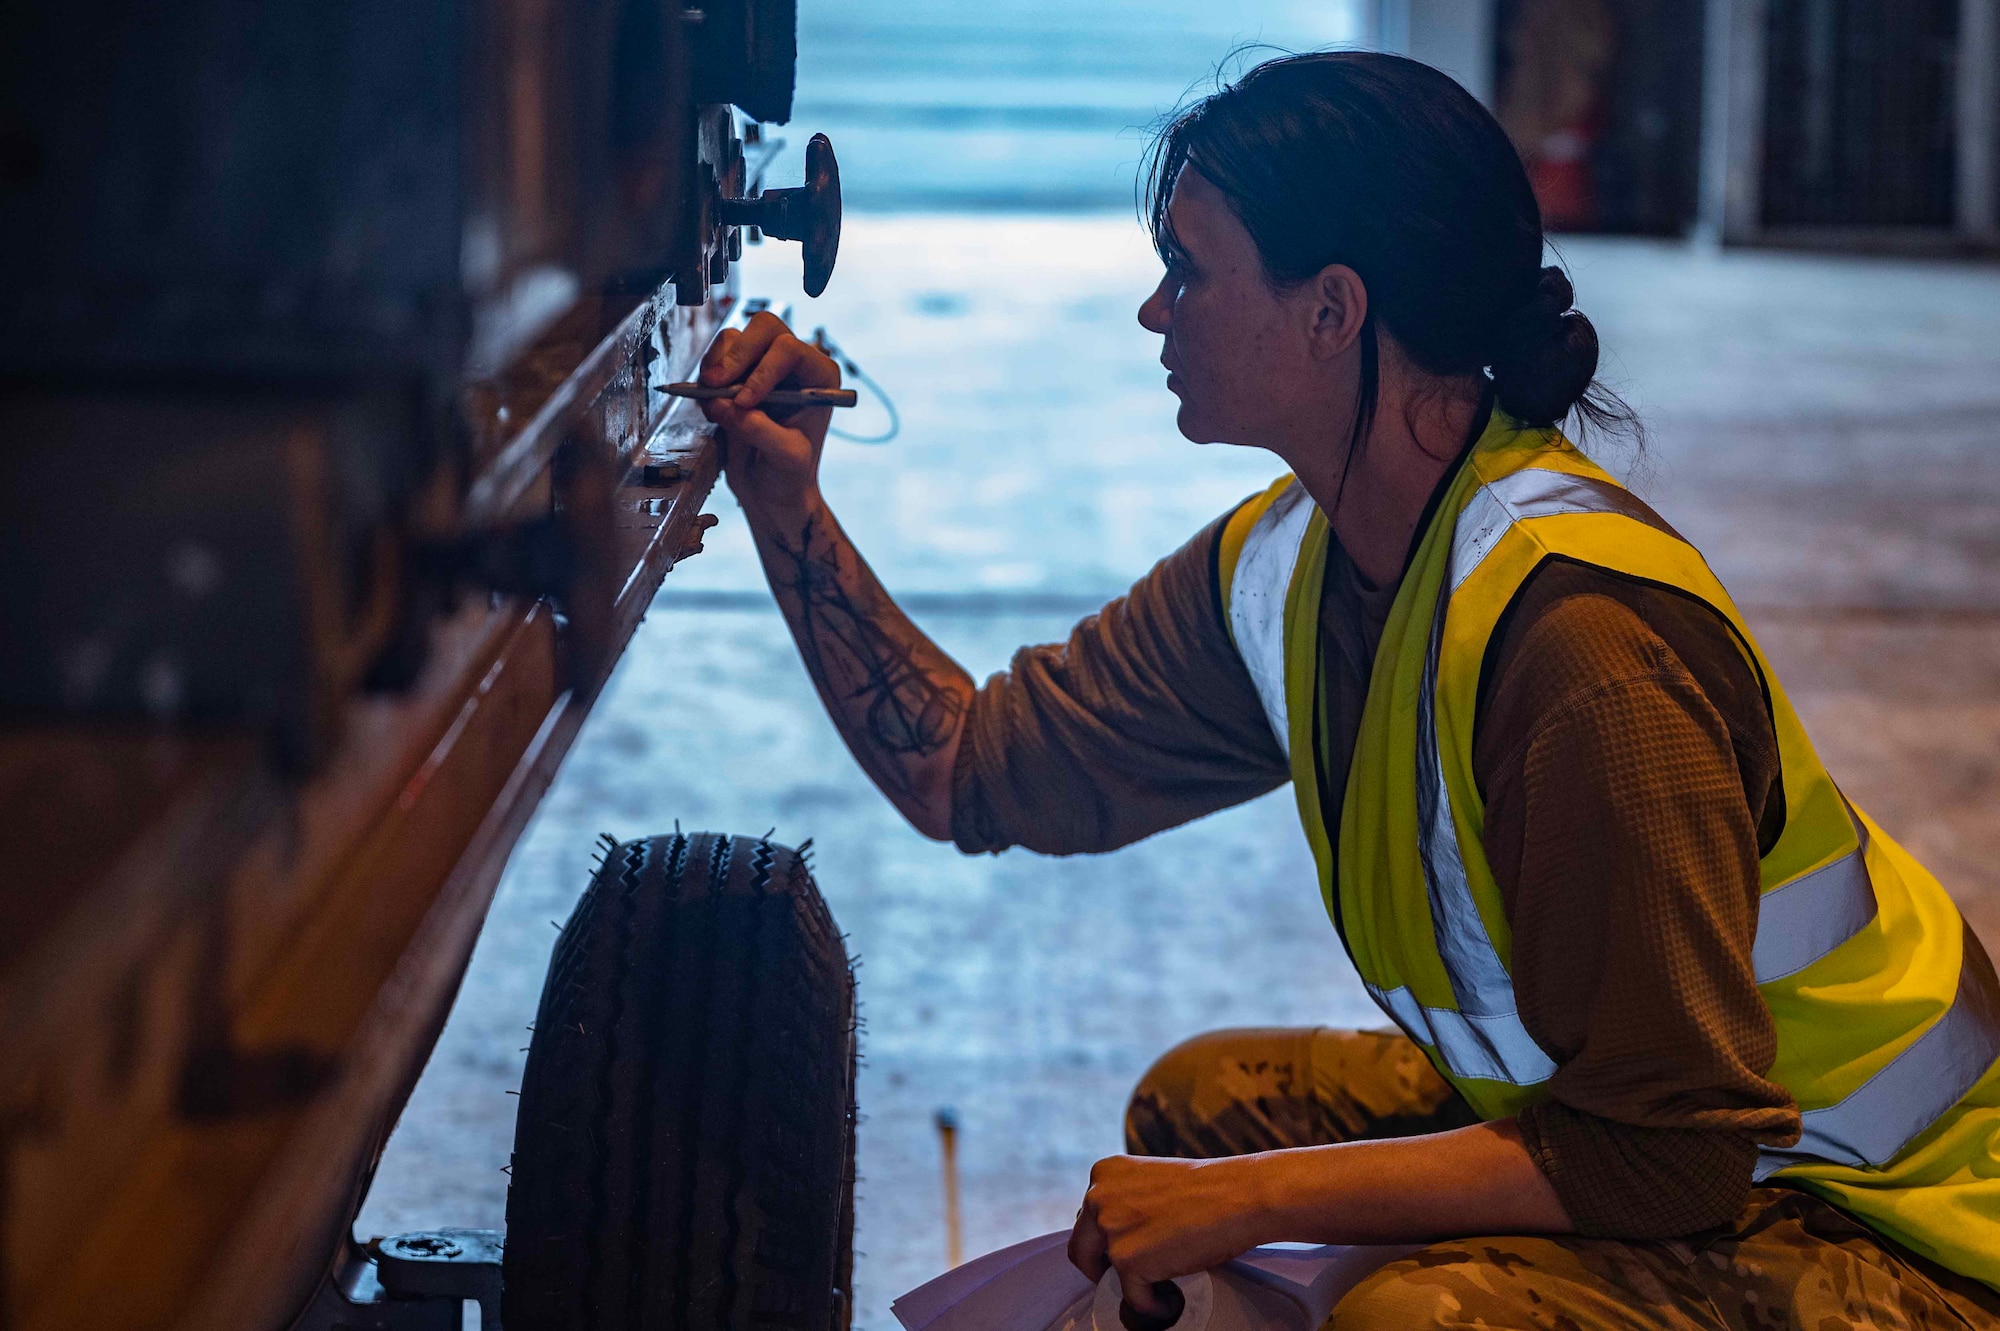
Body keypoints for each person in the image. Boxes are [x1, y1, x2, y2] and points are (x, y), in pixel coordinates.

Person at [698, 50, 2000, 1330]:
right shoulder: (1290, 568)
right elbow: (966, 767)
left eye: (1189, 273)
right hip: (1659, 1133)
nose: (1156, 313)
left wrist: (1252, 1201)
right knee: (1199, 1112)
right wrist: (786, 504)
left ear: (1333, 310)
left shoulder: (1584, 651)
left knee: (1415, 1318)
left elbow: (1674, 1154)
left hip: (1886, 1217)